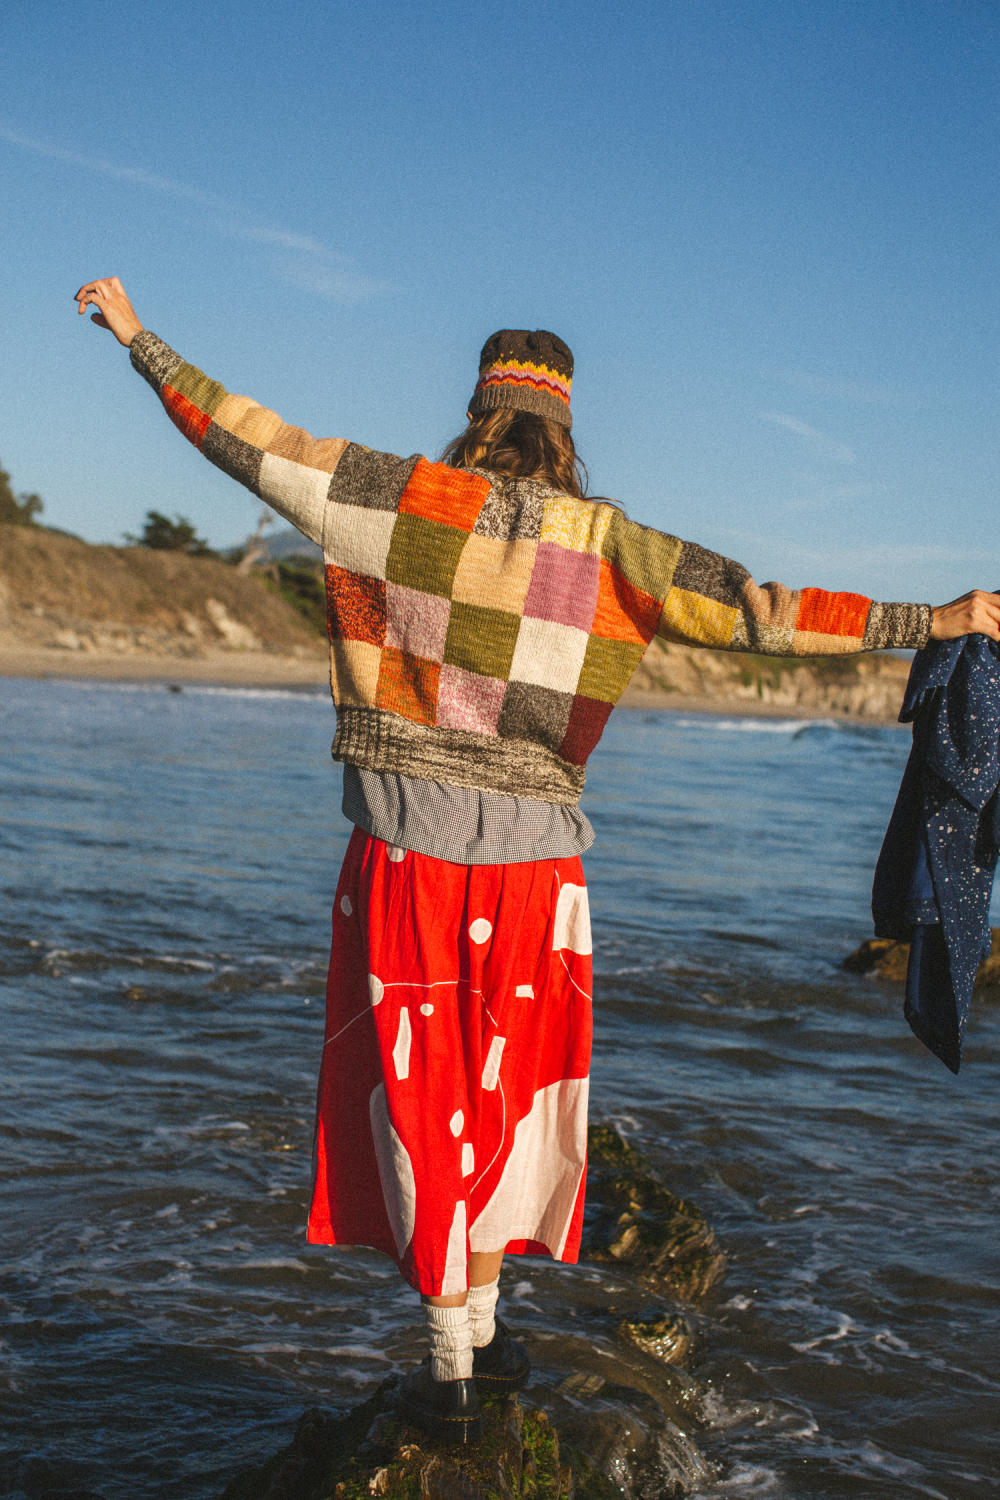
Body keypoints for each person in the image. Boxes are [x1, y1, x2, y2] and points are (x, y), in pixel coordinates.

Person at [74, 277, 1000, 1445]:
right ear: (562, 425)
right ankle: (480, 1340)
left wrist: (137, 336)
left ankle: (455, 1366)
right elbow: (766, 612)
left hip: (404, 864)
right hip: (536, 883)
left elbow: (239, 436)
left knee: (419, 1107)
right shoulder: (613, 545)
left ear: (477, 410)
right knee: (504, 1110)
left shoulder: (391, 499)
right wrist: (936, 618)